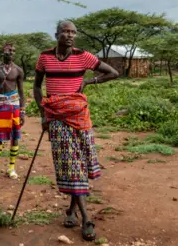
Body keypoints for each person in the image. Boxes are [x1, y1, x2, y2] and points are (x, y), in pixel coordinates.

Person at [33, 21, 118, 241]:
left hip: (80, 116)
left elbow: (113, 73)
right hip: (57, 117)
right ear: (57, 34)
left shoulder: (83, 56)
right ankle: (86, 218)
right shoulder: (44, 57)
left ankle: (71, 210)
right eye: (65, 32)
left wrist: (90, 81)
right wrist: (43, 114)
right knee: (72, 164)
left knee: (79, 163)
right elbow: (36, 86)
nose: (70, 35)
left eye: (73, 32)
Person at [0, 43, 25, 180]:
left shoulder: (18, 70)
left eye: (13, 51)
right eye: (8, 50)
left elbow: (21, 92)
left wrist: (23, 111)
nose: (11, 53)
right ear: (3, 52)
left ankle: (11, 168)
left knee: (15, 136)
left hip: (14, 105)